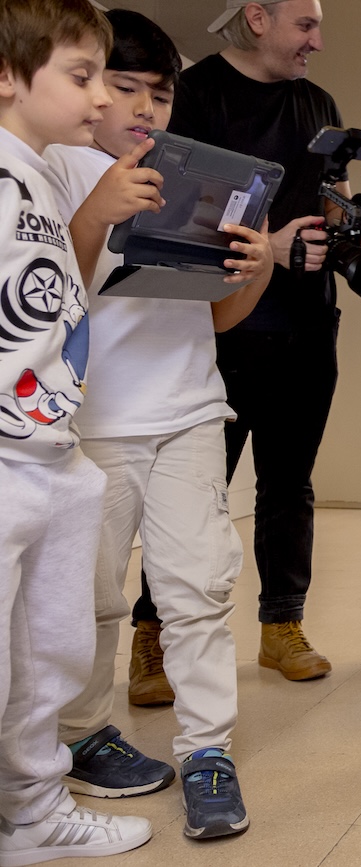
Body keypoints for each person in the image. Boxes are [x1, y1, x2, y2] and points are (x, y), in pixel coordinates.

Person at [44, 9, 273, 839]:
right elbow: (45, 302)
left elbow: (217, 318)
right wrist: (96, 213)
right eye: (124, 87)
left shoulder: (187, 174)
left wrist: (256, 268)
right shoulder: (54, 167)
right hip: (95, 424)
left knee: (199, 591)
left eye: (161, 94)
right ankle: (82, 735)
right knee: (91, 596)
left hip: (192, 411)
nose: (145, 108)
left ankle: (209, 750)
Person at [126, 0, 347, 684]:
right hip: (222, 328)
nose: (317, 40)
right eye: (305, 25)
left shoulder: (318, 103)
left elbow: (328, 193)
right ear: (257, 18)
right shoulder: (196, 96)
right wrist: (269, 248)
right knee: (195, 491)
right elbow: (177, 213)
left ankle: (281, 625)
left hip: (308, 326)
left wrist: (339, 221)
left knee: (290, 484)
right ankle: (151, 634)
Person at [0, 1, 153, 862]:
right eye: (83, 75)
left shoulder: (42, 178)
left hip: (52, 456)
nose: (102, 98)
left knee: (44, 658)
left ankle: (33, 813)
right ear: (7, 75)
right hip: (4, 463)